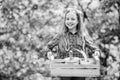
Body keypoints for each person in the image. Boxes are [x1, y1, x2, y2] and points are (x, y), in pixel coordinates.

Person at [46, 8, 99, 80]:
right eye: (67, 19)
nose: (69, 21)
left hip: (80, 69)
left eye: (73, 19)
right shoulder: (60, 36)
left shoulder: (83, 36)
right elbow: (49, 47)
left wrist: (96, 52)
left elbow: (94, 48)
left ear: (78, 21)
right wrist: (49, 52)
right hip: (64, 70)